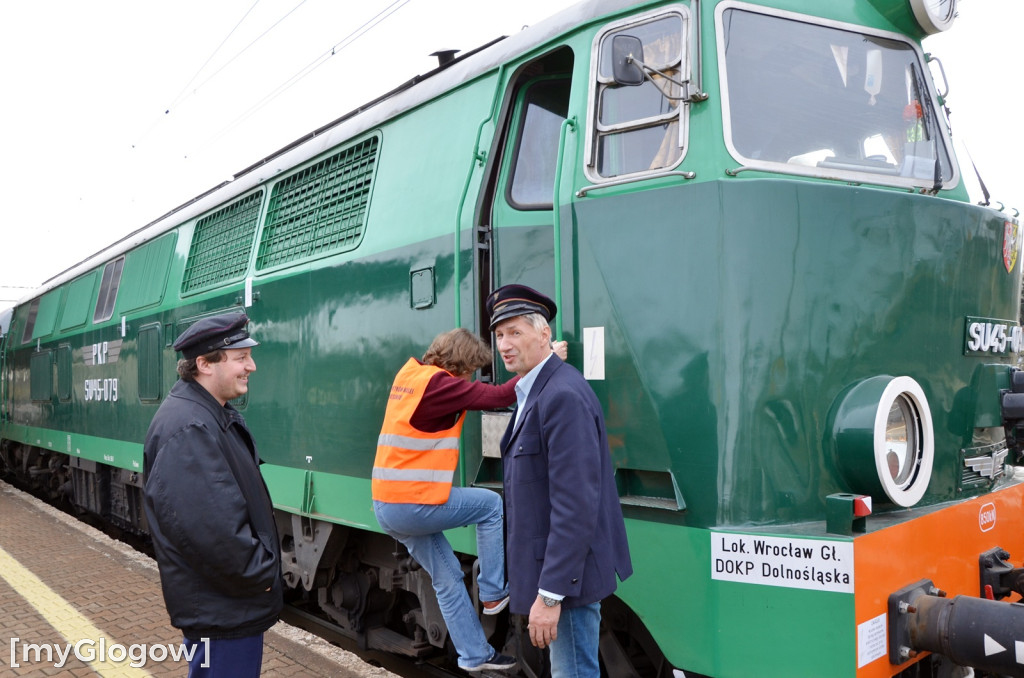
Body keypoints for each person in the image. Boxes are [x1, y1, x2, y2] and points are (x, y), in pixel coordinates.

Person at [371, 328, 566, 673]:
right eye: (472, 370)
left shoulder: (411, 374)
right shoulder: (440, 384)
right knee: (491, 506)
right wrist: (547, 362)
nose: (472, 377)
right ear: (460, 364)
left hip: (387, 505)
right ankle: (493, 592)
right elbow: (502, 395)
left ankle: (475, 654)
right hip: (411, 504)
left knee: (446, 580)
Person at [488, 284, 633, 678]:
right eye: (499, 334)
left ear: (544, 334)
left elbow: (575, 504)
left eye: (515, 332)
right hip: (560, 572)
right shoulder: (537, 391)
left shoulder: (561, 395)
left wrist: (551, 594)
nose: (504, 344)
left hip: (567, 580)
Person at [143, 312, 282, 678]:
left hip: (226, 605)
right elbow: (211, 530)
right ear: (204, 364)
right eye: (240, 358)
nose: (251, 366)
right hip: (224, 610)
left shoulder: (207, 415)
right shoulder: (190, 427)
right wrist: (261, 574)